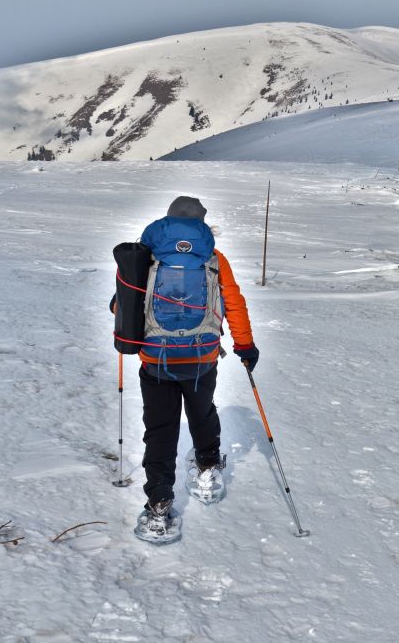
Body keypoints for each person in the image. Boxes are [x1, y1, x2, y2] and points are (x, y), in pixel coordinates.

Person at [116, 195, 259, 541]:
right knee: (202, 411)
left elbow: (121, 304)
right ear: (202, 224)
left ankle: (159, 504)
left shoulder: (144, 257)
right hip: (201, 357)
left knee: (160, 427)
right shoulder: (213, 258)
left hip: (156, 358)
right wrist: (245, 345)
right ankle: (208, 468)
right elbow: (233, 303)